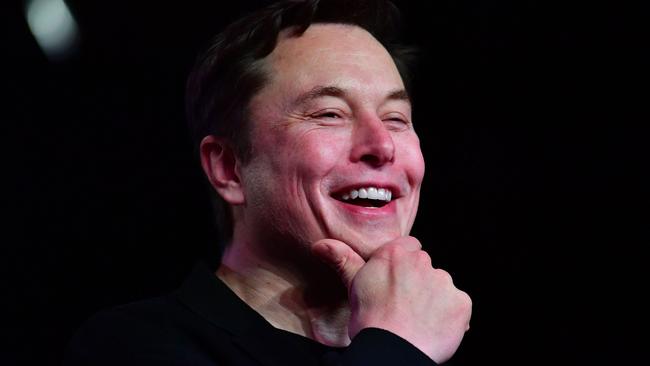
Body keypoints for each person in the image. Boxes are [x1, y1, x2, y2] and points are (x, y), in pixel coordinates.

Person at [64, 0, 472, 365]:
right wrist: (396, 349)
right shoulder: (133, 345)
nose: (381, 145)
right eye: (329, 114)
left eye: (396, 118)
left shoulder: (440, 341)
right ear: (228, 168)